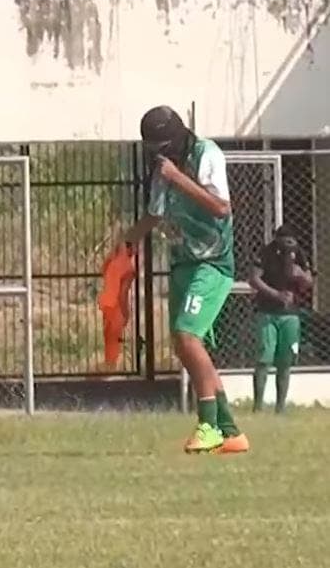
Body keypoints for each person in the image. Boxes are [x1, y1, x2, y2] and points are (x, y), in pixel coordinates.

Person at [119, 105, 248, 454]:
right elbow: (155, 214)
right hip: (183, 263)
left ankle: (207, 425)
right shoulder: (163, 168)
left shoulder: (207, 154)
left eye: (162, 146)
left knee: (187, 335)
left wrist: (178, 177)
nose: (158, 155)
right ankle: (231, 431)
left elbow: (222, 208)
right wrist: (127, 242)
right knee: (185, 345)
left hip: (212, 264)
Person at [248, 227, 313, 413]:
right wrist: (276, 294)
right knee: (264, 358)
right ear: (277, 239)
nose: (290, 244)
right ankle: (258, 406)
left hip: (291, 315)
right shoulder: (266, 253)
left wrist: (301, 275)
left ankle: (280, 407)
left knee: (285, 361)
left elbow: (309, 280)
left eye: (292, 240)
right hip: (267, 312)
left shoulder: (299, 254)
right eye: (286, 240)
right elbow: (254, 278)